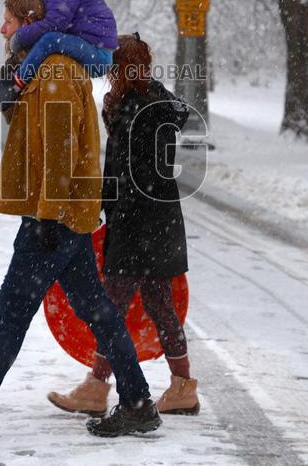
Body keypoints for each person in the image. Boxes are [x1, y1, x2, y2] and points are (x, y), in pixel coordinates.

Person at [0, 0, 162, 441]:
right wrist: (5, 96)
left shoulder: (56, 72)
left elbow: (61, 151)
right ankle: (138, 402)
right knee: (98, 311)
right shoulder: (47, 70)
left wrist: (48, 219)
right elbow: (40, 135)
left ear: (29, 23)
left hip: (53, 218)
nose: (3, 30)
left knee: (12, 311)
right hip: (65, 215)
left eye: (8, 21)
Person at [47, 33, 200, 417]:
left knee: (110, 305)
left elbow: (121, 171)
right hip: (161, 220)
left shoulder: (132, 109)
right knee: (159, 303)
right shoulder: (158, 102)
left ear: (118, 68)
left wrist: (101, 209)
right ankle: (182, 386)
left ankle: (96, 387)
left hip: (135, 223)